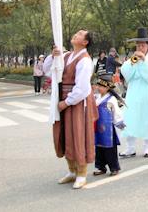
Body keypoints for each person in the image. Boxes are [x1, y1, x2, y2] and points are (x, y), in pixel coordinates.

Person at [45, 29, 98, 190]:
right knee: (64, 135)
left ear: (85, 42)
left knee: (78, 135)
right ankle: (72, 170)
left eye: (81, 33)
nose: (76, 33)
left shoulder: (85, 60)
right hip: (65, 100)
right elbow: (49, 71)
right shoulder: (66, 55)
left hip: (78, 103)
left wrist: (66, 102)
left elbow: (82, 88)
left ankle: (81, 174)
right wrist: (53, 55)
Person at [119, 27, 148, 159]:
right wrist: (134, 61)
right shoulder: (133, 59)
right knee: (130, 118)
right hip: (133, 93)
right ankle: (130, 147)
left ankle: (147, 147)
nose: (140, 48)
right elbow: (125, 72)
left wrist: (144, 61)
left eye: (143, 45)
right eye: (138, 45)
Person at [93, 78, 124, 177]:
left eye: (102, 86)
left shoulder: (111, 99)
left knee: (110, 149)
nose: (99, 88)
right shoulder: (96, 97)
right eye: (98, 86)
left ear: (108, 88)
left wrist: (120, 124)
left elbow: (116, 113)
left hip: (108, 130)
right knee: (98, 147)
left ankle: (114, 168)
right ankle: (100, 167)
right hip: (97, 127)